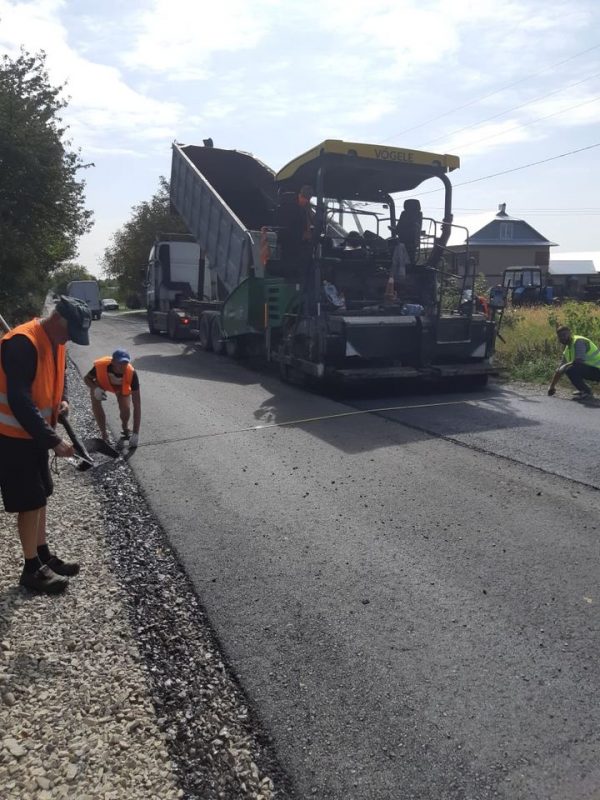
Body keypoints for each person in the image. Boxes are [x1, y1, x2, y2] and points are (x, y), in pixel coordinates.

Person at [0, 296, 91, 593]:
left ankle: (42, 554)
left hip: (35, 434)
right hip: (13, 437)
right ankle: (31, 571)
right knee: (30, 501)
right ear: (59, 320)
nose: (70, 339)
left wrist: (62, 398)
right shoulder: (21, 343)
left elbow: (59, 373)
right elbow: (19, 400)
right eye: (70, 333)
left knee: (42, 494)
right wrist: (54, 440)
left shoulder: (57, 341)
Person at [84, 349, 141, 446]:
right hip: (102, 384)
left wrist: (136, 433)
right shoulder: (100, 367)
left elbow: (137, 404)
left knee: (125, 409)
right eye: (120, 363)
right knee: (95, 400)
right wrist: (95, 388)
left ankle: (125, 427)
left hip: (121, 387)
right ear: (113, 362)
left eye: (125, 363)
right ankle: (104, 435)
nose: (123, 366)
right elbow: (87, 378)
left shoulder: (131, 373)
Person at [547, 326, 600, 399]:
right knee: (568, 368)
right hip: (593, 370)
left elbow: (579, 361)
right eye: (560, 336)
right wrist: (552, 386)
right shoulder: (567, 349)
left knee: (570, 369)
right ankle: (583, 390)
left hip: (597, 370)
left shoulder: (578, 342)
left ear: (570, 333)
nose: (562, 338)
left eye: (564, 335)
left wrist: (565, 366)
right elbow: (559, 370)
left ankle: (587, 392)